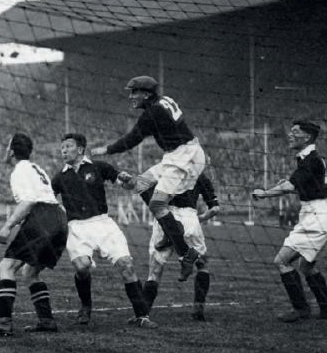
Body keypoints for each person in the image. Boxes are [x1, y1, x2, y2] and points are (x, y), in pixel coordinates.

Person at [91, 76, 206, 281]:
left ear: (146, 93)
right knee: (140, 184)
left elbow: (132, 139)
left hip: (183, 157)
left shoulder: (151, 113)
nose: (131, 96)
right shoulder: (164, 101)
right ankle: (171, 231)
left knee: (157, 204)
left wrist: (106, 150)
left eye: (134, 92)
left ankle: (185, 253)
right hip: (181, 154)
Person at [50, 133, 156, 328]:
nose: (63, 150)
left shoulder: (98, 167)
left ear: (80, 149)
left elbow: (127, 183)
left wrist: (127, 179)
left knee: (126, 265)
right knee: (82, 267)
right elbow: (48, 199)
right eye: (62, 147)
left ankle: (142, 316)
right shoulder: (59, 178)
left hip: (103, 223)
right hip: (77, 227)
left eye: (67, 146)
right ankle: (86, 305)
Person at [0, 133, 68, 337]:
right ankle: (46, 321)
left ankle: (3, 323)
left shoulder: (19, 171)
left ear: (11, 151)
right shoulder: (36, 168)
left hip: (42, 216)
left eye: (6, 146)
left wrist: (7, 227)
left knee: (6, 266)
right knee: (30, 272)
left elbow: (28, 202)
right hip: (59, 219)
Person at [252, 120, 327, 322]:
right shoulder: (307, 159)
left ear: (307, 137)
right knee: (306, 267)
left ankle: (301, 310)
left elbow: (290, 187)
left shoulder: (311, 160)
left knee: (281, 261)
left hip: (318, 216)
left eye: (295, 132)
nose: (289, 135)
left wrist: (264, 194)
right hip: (321, 213)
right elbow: (301, 184)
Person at [125, 173, 220, 321]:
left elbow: (144, 187)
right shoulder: (201, 176)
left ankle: (143, 314)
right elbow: (215, 209)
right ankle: (198, 309)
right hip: (190, 219)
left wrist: (130, 181)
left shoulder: (166, 170)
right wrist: (199, 219)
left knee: (155, 271)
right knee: (202, 265)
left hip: (165, 217)